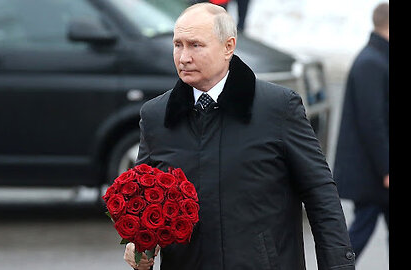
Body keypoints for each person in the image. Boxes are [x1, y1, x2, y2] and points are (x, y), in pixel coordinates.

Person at [125, 3, 355, 270]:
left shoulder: (278, 107)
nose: (183, 57)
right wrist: (138, 245)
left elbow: (319, 192)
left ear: (228, 47)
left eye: (196, 45)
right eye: (178, 45)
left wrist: (338, 265)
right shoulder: (156, 116)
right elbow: (142, 201)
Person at [333, 2, 389, 261]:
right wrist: (386, 168)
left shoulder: (378, 58)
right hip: (373, 173)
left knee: (362, 229)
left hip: (375, 171)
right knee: (360, 232)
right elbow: (373, 122)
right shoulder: (372, 63)